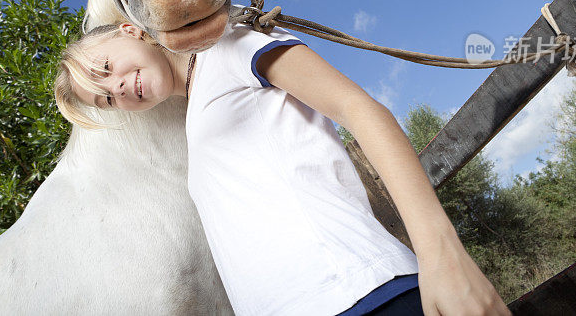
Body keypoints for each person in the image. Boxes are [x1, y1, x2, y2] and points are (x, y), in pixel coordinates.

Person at [54, 21, 510, 316]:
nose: (118, 88)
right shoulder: (197, 118)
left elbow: (359, 109)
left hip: (360, 294)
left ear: (131, 29)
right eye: (106, 99)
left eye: (106, 67)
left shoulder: (228, 49)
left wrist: (441, 256)